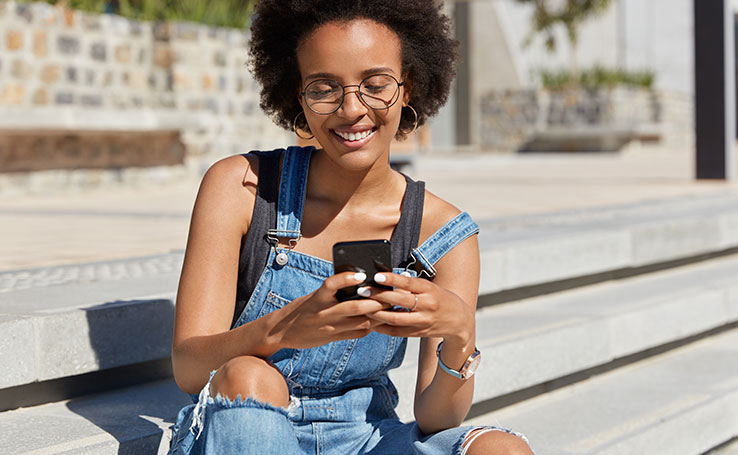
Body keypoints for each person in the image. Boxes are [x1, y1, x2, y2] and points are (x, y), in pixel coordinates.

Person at [168, 1, 533, 454]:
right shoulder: (242, 188)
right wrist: (283, 328)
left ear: (408, 87)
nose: (351, 109)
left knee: (500, 449)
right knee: (249, 375)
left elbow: (436, 418)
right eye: (324, 88)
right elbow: (187, 367)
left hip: (365, 439)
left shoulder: (443, 234)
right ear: (297, 94)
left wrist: (460, 334)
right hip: (246, 423)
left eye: (375, 84)